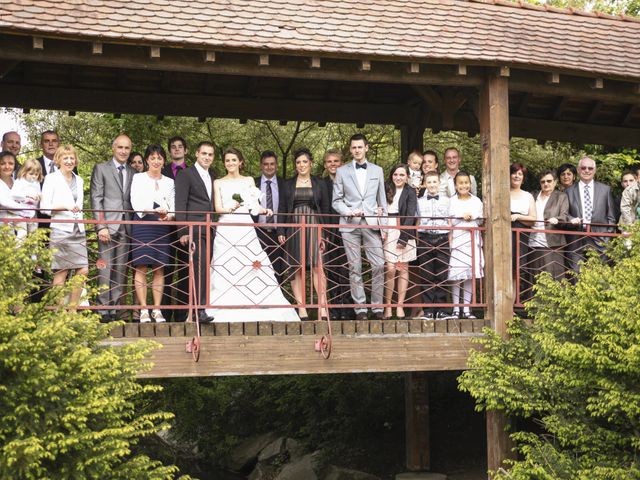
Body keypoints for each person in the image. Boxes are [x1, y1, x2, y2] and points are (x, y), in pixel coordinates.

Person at [206, 147, 299, 322]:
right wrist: (229, 208)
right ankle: (224, 304)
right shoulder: (218, 182)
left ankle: (257, 300)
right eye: (227, 160)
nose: (230, 163)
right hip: (226, 224)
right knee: (226, 263)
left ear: (240, 162)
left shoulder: (248, 180)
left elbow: (254, 205)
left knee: (251, 262)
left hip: (245, 226)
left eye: (234, 160)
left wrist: (265, 210)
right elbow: (217, 208)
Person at [332, 133, 387, 320]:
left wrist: (385, 227)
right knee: (354, 267)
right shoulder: (342, 171)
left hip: (372, 224)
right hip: (349, 225)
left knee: (379, 264)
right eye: (353, 147)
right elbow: (336, 201)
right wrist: (348, 211)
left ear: (366, 148)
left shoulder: (377, 170)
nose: (357, 150)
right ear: (350, 150)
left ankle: (377, 308)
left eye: (359, 147)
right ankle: (360, 309)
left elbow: (383, 201)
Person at [277, 148, 330, 320]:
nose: (301, 165)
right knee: (296, 267)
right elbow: (282, 208)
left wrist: (326, 233)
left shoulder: (320, 183)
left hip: (315, 225)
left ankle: (322, 306)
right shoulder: (288, 184)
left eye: (305, 162)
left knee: (317, 266)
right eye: (298, 162)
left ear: (311, 163)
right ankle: (301, 308)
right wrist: (281, 230)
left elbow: (327, 209)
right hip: (294, 226)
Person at [90, 134, 135, 322]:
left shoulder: (133, 172)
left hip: (126, 226)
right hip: (107, 227)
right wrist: (101, 226)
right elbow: (96, 198)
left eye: (127, 148)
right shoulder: (101, 168)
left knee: (120, 269)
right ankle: (102, 309)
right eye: (120, 147)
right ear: (113, 148)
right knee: (104, 267)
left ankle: (115, 309)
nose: (123, 151)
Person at [130, 145, 175, 323]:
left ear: (164, 161)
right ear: (147, 160)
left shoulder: (170, 182)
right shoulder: (138, 177)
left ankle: (157, 310)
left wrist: (170, 216)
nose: (156, 161)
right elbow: (135, 200)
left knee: (159, 268)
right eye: (152, 157)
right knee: (141, 266)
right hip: (143, 223)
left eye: (160, 158)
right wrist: (151, 210)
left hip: (161, 226)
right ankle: (143, 310)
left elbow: (173, 205)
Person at [40, 145, 88, 310]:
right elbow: (44, 208)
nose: (69, 161)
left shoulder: (79, 180)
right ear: (58, 159)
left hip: (78, 230)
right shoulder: (51, 178)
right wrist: (65, 206)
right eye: (65, 158)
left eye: (72, 158)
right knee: (61, 271)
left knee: (83, 270)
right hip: (61, 230)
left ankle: (72, 309)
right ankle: (61, 312)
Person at [174, 141, 216, 323]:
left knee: (206, 268)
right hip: (194, 229)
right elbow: (180, 204)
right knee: (199, 269)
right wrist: (183, 231)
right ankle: (199, 310)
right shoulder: (186, 174)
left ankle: (200, 309)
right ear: (197, 154)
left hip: (211, 229)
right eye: (204, 153)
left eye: (210, 155)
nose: (207, 157)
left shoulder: (213, 176)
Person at [565, 156, 616, 272]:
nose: (587, 170)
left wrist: (606, 238)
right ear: (578, 170)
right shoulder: (569, 191)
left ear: (595, 170)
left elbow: (611, 217)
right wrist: (571, 218)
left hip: (600, 239)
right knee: (576, 274)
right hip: (576, 238)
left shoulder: (605, 190)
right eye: (583, 168)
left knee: (598, 275)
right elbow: (565, 213)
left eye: (590, 168)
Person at [382, 164, 417, 320]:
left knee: (402, 269)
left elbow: (410, 215)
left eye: (402, 175)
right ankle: (388, 306)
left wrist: (404, 237)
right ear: (392, 175)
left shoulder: (410, 192)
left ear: (407, 177)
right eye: (396, 174)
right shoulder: (385, 188)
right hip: (388, 230)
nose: (398, 178)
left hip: (404, 230)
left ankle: (400, 306)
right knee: (390, 269)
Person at [448, 171, 484, 320]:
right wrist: (461, 217)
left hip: (472, 240)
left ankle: (467, 309)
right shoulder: (452, 201)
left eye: (466, 183)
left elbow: (482, 220)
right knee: (457, 275)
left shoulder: (476, 201)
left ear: (470, 184)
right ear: (456, 185)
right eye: (460, 183)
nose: (463, 185)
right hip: (458, 240)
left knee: (470, 275)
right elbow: (449, 221)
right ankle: (456, 309)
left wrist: (472, 218)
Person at [161, 136, 190, 322]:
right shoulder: (161, 171)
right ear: (170, 151)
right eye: (173, 147)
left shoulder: (193, 172)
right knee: (166, 270)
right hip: (166, 228)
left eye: (180, 147)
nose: (177, 150)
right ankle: (164, 311)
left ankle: (182, 312)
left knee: (186, 270)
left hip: (186, 227)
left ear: (186, 150)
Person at [416, 170, 451, 320]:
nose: (432, 185)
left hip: (442, 238)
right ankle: (428, 309)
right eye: (429, 182)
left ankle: (441, 309)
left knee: (442, 274)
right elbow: (417, 222)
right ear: (425, 183)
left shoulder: (447, 200)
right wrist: (418, 242)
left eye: (434, 182)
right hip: (425, 238)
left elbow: (450, 221)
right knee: (426, 274)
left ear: (439, 183)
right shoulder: (419, 201)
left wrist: (450, 240)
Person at [526, 170, 569, 291]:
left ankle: (555, 306)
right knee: (534, 274)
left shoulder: (561, 196)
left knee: (554, 274)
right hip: (532, 240)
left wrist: (557, 219)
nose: (546, 184)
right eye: (543, 181)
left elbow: (565, 215)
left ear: (555, 182)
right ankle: (533, 306)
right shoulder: (533, 196)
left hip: (553, 242)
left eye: (549, 181)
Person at [322, 149, 351, 320]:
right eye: (329, 161)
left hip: (347, 228)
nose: (333, 164)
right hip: (328, 230)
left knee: (347, 268)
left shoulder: (348, 181)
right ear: (325, 165)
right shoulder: (321, 183)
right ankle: (333, 309)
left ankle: (347, 308)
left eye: (336, 161)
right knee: (330, 269)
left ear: (342, 163)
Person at [254, 151, 287, 284]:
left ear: (276, 165)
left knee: (277, 269)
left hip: (278, 234)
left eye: (272, 164)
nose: (269, 167)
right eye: (266, 164)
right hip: (257, 233)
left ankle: (277, 302)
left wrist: (282, 230)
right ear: (261, 166)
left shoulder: (284, 184)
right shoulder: (253, 183)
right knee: (256, 268)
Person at [509, 162, 536, 297]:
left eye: (520, 174)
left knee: (515, 272)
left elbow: (533, 218)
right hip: (505, 234)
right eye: (514, 173)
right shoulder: (503, 194)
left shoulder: (528, 196)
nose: (517, 176)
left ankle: (512, 307)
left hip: (521, 236)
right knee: (504, 269)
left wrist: (518, 216)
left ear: (523, 178)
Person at [9, 159, 43, 243]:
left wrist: (39, 196)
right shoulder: (19, 181)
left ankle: (33, 255)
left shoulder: (36, 183)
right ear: (24, 172)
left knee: (33, 234)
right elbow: (13, 195)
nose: (34, 176)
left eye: (36, 174)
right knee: (22, 233)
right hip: (20, 213)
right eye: (31, 174)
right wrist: (26, 196)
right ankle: (16, 252)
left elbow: (38, 194)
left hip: (32, 213)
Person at [0, 151, 22, 220]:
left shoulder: (18, 183)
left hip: (19, 226)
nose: (7, 167)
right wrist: (25, 209)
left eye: (11, 164)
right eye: (2, 164)